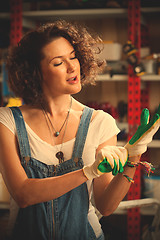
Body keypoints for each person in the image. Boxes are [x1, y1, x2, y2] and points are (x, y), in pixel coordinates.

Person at [0, 20, 159, 240]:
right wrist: (88, 171)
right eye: (58, 63)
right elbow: (23, 194)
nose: (72, 67)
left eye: (73, 56)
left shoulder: (99, 122)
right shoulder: (7, 121)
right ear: (35, 72)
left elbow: (106, 206)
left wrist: (133, 156)